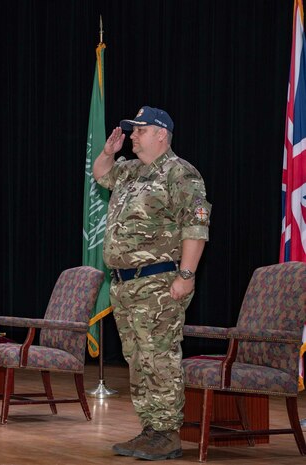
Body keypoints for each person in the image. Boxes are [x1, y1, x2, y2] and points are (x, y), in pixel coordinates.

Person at [93, 107, 211, 460]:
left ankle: (167, 432)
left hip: (159, 283)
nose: (132, 135)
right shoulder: (129, 171)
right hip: (125, 284)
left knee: (159, 358)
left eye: (139, 130)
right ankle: (150, 428)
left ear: (161, 134)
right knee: (137, 358)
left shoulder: (182, 174)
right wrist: (107, 153)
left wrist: (186, 276)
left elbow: (196, 228)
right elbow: (101, 175)